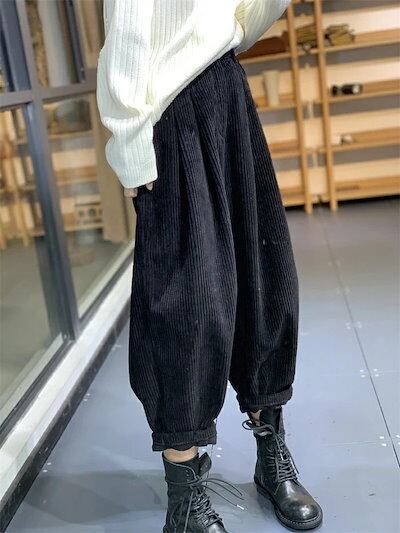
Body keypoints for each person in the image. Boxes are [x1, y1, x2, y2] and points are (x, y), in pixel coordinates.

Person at [97, 1, 323, 531]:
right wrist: (130, 141)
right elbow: (126, 34)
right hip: (172, 112)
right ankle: (184, 495)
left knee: (264, 279)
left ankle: (270, 450)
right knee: (188, 302)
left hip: (228, 91)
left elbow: (247, 20)